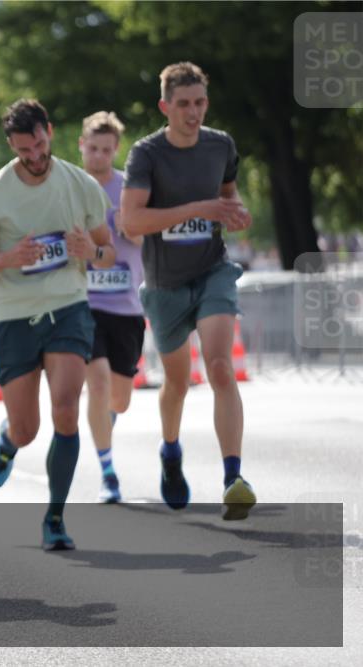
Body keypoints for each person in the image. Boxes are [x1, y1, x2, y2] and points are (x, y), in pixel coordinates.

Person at [0, 99, 115, 551]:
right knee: (28, 427)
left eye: (39, 146)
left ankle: (55, 517)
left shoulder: (81, 184)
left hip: (68, 307)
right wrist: (8, 258)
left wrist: (87, 252)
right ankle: (10, 442)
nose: (34, 158)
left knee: (67, 409)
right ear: (10, 146)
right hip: (12, 314)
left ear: (49, 132)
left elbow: (108, 251)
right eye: (23, 151)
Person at [120, 62, 256, 520]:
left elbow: (229, 198)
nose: (193, 112)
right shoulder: (147, 154)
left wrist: (235, 213)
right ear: (165, 106)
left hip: (212, 271)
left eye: (199, 102)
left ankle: (232, 477)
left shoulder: (221, 146)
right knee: (177, 381)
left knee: (219, 367)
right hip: (164, 286)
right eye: (183, 104)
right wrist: (197, 207)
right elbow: (132, 222)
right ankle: (171, 451)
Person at [78, 111, 145, 504]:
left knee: (119, 398)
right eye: (93, 147)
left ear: (115, 149)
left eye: (107, 149)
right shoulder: (69, 186)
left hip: (126, 305)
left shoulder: (130, 190)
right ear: (81, 145)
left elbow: (151, 237)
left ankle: (105, 424)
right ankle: (108, 472)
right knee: (98, 383)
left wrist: (131, 228)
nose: (99, 155)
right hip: (82, 303)